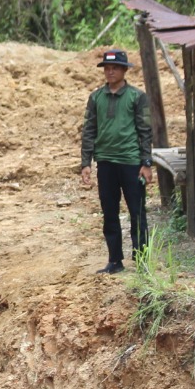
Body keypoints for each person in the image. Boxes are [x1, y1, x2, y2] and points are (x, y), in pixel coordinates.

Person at [79, 47, 154, 274]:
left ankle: (141, 261)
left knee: (137, 212)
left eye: (115, 68)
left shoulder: (137, 97)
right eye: (107, 68)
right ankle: (114, 260)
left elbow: (145, 131)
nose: (110, 72)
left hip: (131, 162)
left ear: (124, 70)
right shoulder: (96, 98)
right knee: (109, 212)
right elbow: (89, 130)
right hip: (106, 163)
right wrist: (85, 163)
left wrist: (146, 163)